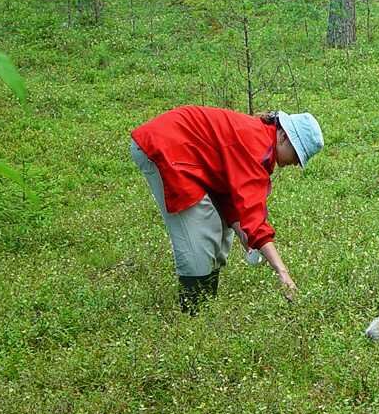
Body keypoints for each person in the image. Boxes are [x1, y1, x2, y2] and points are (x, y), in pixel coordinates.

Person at [129, 106, 323, 313]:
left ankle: (205, 308)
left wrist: (245, 235)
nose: (295, 163)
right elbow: (255, 219)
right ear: (284, 136)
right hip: (166, 147)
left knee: (221, 230)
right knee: (200, 237)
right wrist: (282, 271)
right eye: (296, 154)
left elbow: (229, 197)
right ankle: (193, 318)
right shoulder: (257, 148)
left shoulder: (260, 141)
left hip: (185, 152)